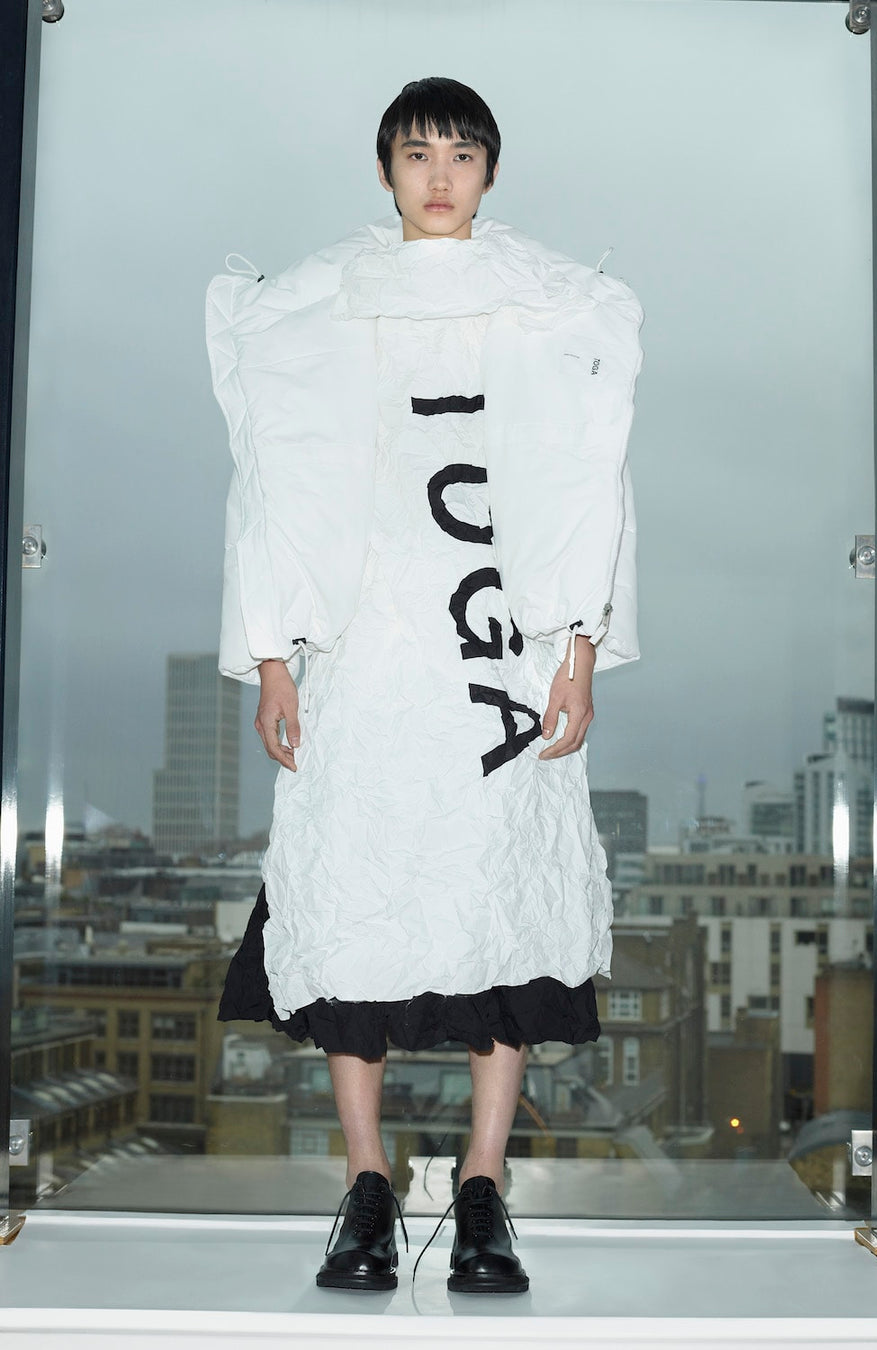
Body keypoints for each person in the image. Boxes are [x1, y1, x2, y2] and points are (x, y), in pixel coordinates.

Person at [206, 76, 643, 1296]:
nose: (439, 176)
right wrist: (275, 656)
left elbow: (593, 474)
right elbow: (273, 474)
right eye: (417, 153)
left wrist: (582, 648)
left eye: (460, 153)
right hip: (368, 647)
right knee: (356, 893)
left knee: (503, 899)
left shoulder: (547, 299)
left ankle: (484, 1188)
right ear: (385, 169)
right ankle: (367, 1186)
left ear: (491, 170)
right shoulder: (325, 299)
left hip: (500, 646)